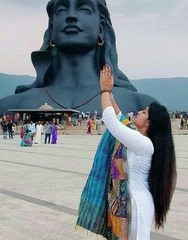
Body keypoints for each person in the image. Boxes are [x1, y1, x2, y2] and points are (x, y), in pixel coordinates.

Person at [0, 0, 155, 115]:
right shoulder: (9, 106)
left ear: (101, 28)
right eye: (61, 10)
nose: (71, 16)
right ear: (52, 27)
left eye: (84, 8)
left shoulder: (141, 105)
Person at [76, 65, 177, 240]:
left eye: (145, 112)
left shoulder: (144, 143)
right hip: (129, 203)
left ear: (150, 124)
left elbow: (110, 120)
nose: (138, 112)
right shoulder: (137, 138)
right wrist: (111, 94)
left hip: (136, 206)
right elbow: (120, 117)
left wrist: (105, 91)